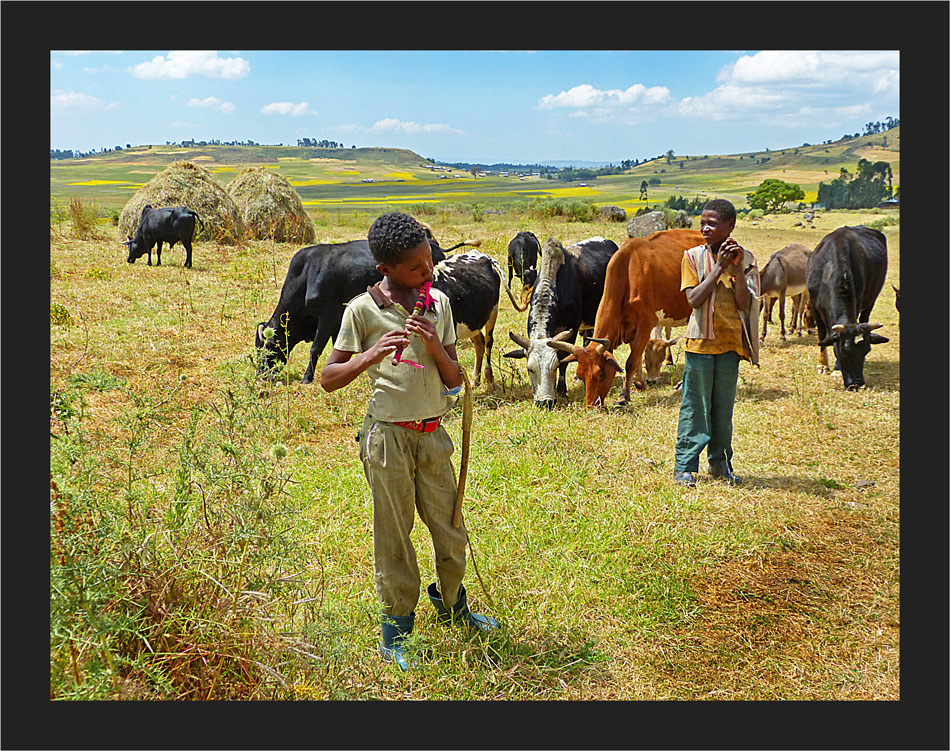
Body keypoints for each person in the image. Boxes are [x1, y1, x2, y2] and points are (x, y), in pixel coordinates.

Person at [320, 211, 499, 671]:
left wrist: (436, 347)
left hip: (432, 435)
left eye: (429, 262)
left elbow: (456, 380)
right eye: (417, 267)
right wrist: (369, 356)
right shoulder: (362, 311)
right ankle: (396, 631)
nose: (428, 272)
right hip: (388, 439)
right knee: (394, 535)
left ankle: (453, 601)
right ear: (386, 269)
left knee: (450, 524)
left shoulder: (438, 302)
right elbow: (328, 377)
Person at [673, 198, 760, 488]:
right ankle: (685, 466)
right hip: (700, 341)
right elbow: (694, 300)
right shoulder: (692, 257)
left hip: (731, 342)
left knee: (723, 409)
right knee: (695, 407)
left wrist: (734, 271)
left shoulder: (746, 259)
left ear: (730, 226)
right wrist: (718, 268)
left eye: (712, 223)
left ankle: (721, 464)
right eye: (703, 222)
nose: (705, 228)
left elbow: (744, 305)